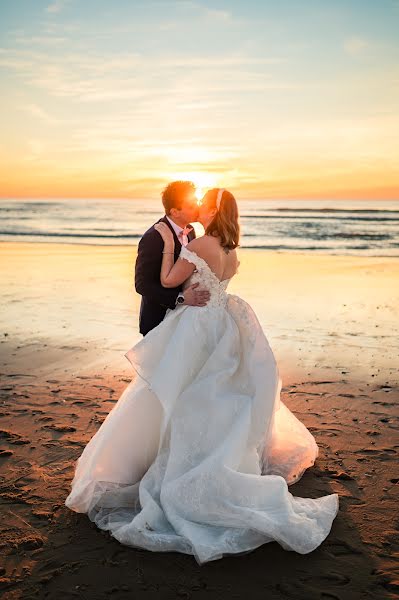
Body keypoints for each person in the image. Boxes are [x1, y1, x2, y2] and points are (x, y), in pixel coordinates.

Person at [65, 187, 339, 565]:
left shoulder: (199, 243)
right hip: (221, 326)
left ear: (213, 211)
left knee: (177, 392)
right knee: (215, 395)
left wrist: (171, 255)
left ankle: (179, 461)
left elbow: (165, 280)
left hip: (194, 326)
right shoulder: (228, 248)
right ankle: (201, 453)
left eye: (205, 205)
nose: (199, 209)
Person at [135, 180, 210, 335]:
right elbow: (142, 285)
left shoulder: (190, 231)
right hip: (158, 321)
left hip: (184, 320)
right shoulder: (153, 237)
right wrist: (181, 298)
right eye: (191, 205)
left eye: (197, 201)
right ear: (175, 211)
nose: (197, 207)